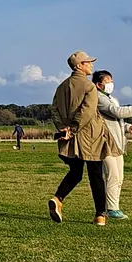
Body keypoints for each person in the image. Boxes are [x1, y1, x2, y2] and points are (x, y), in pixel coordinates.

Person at [50, 50, 113, 226]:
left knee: (75, 172)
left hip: (68, 137)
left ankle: (58, 198)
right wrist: (75, 127)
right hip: (89, 135)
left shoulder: (61, 86)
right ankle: (100, 214)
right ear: (79, 66)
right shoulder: (89, 86)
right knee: (96, 175)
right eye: (87, 62)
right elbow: (88, 111)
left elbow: (54, 109)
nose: (91, 65)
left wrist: (63, 128)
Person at [92, 70, 132, 220]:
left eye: (111, 80)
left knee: (119, 177)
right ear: (99, 84)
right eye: (107, 81)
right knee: (112, 175)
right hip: (106, 142)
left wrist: (127, 127)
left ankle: (113, 206)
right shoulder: (99, 98)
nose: (111, 84)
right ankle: (111, 208)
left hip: (118, 142)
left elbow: (117, 121)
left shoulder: (111, 98)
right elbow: (116, 112)